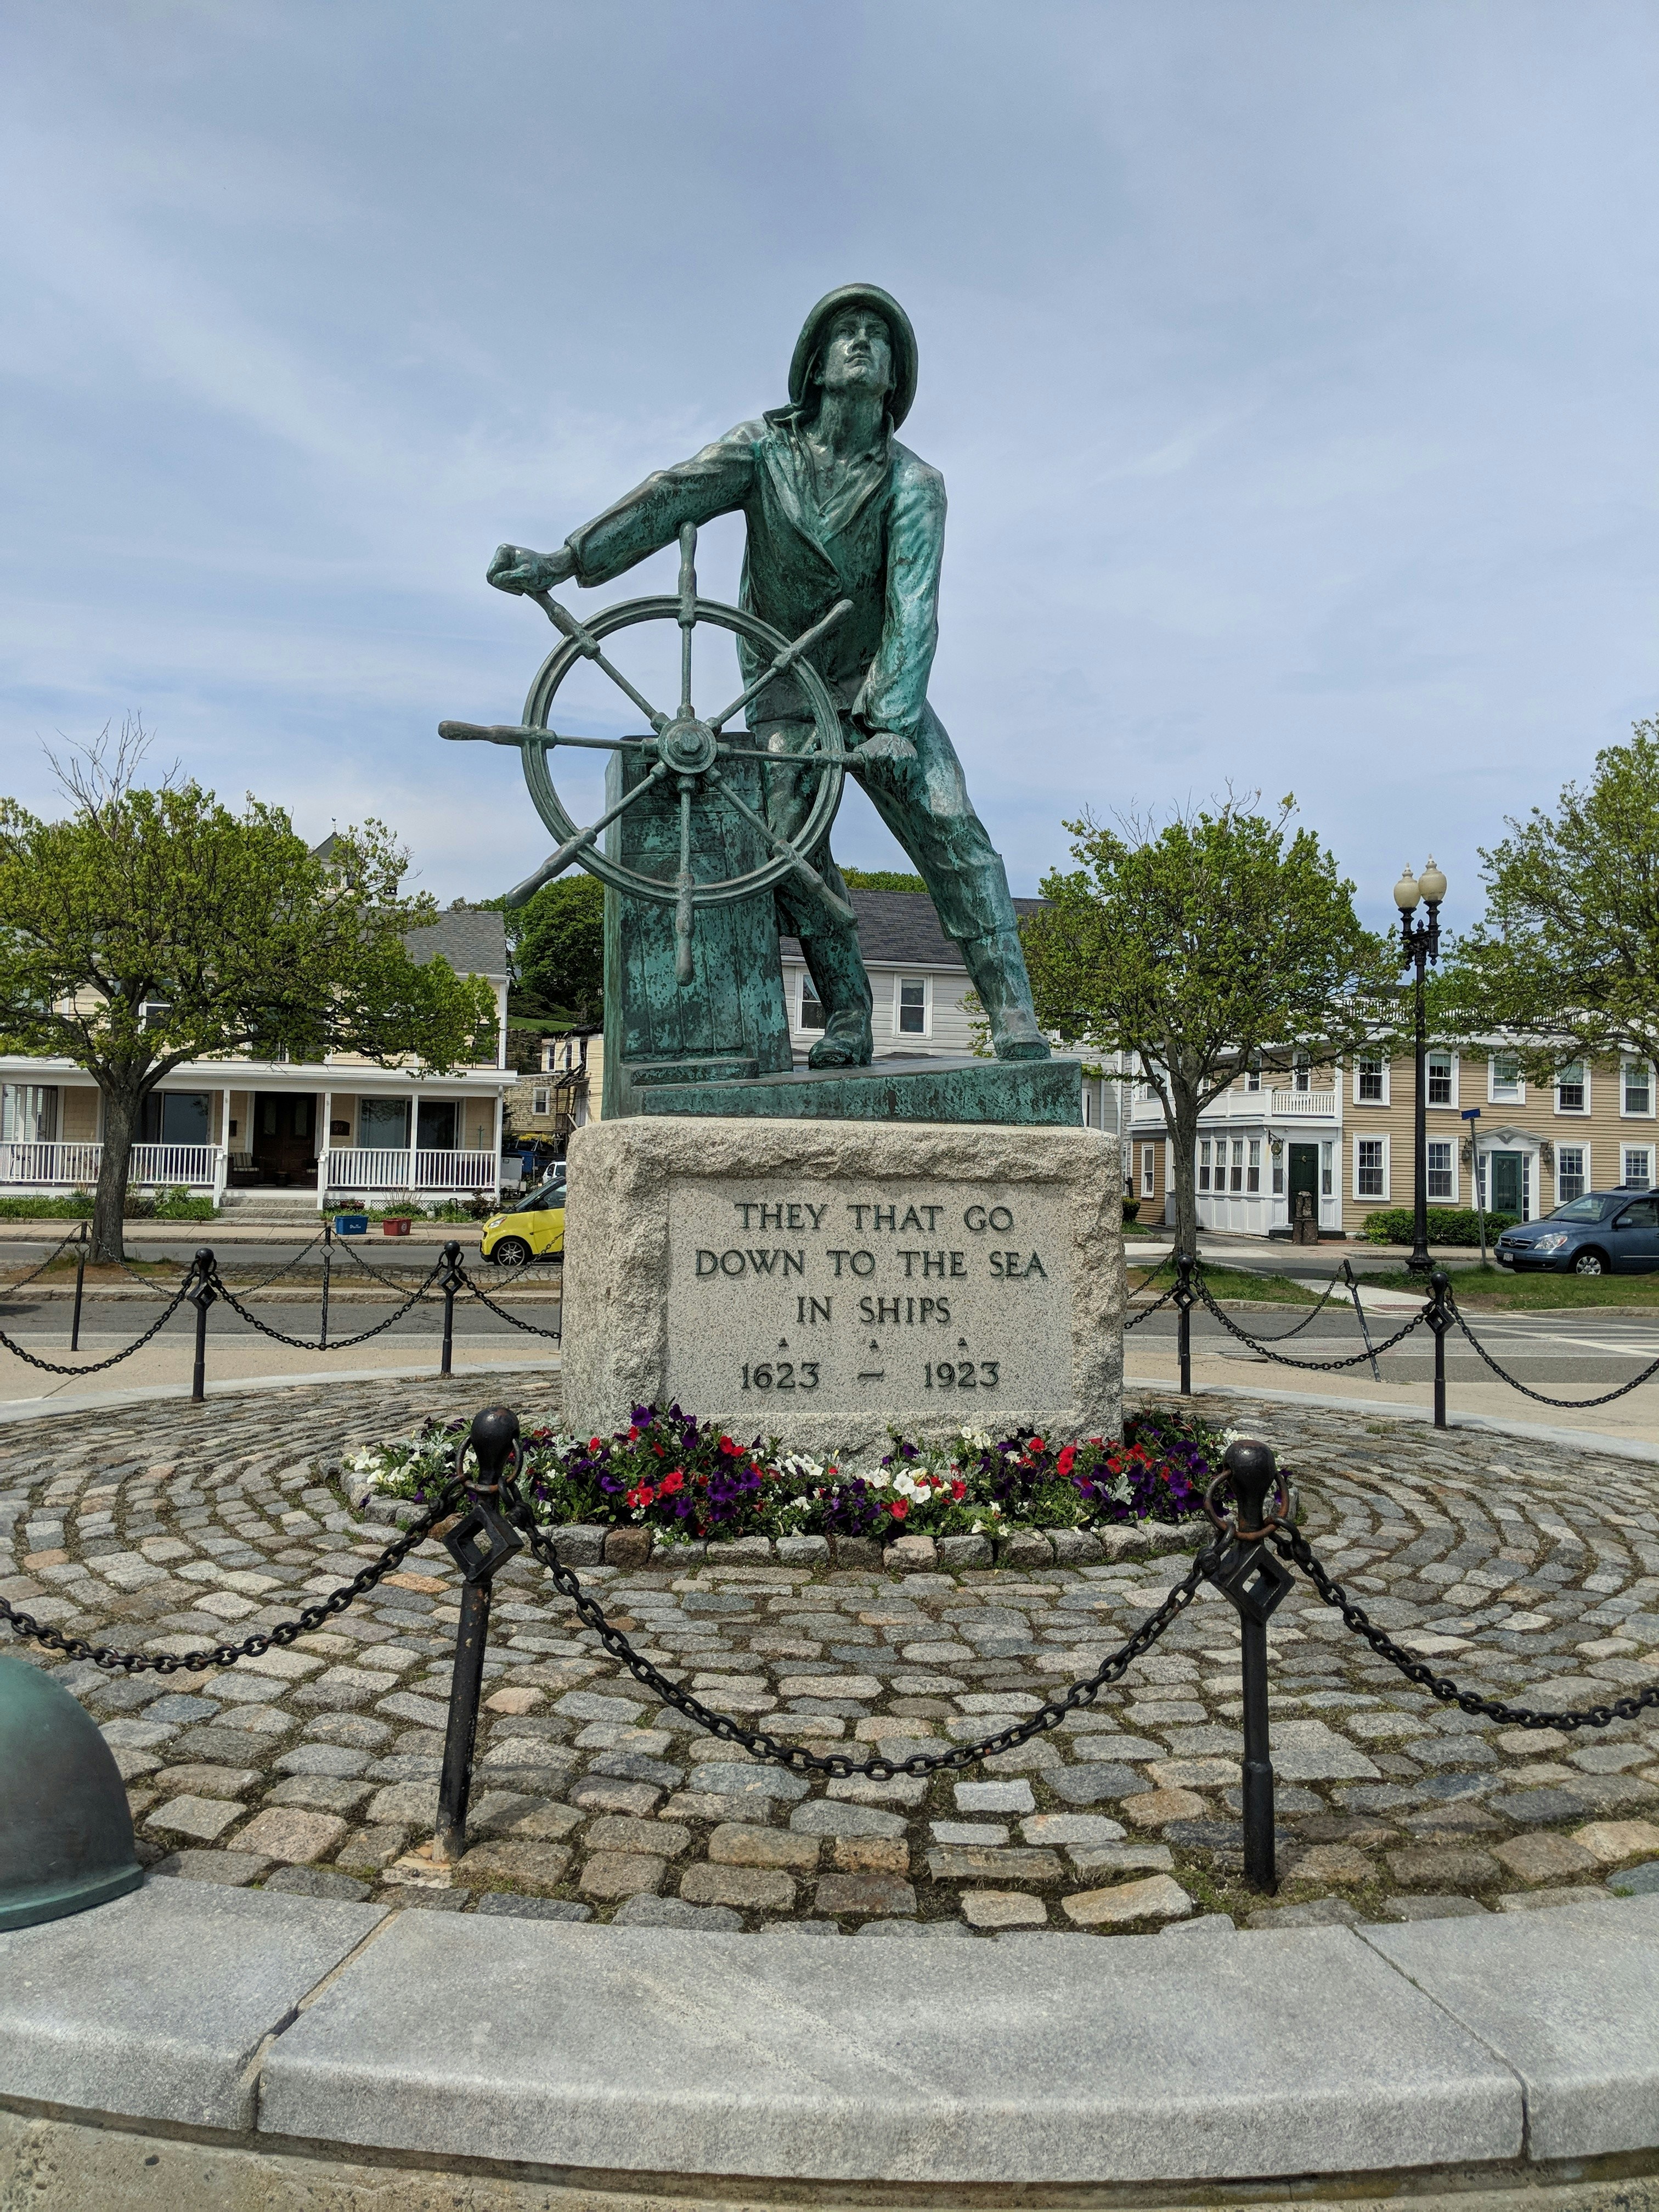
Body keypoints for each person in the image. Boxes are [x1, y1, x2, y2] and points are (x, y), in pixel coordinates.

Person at [487, 283, 1048, 1064]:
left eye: (878, 336)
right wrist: (569, 559)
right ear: (814, 367)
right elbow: (668, 495)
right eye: (845, 331)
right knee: (788, 843)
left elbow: (914, 608)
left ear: (894, 378)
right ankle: (848, 1014)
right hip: (785, 684)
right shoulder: (762, 449)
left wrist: (889, 722)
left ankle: (1015, 1014)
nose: (862, 342)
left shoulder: (915, 485)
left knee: (954, 827)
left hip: (881, 679)